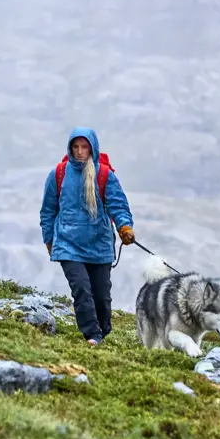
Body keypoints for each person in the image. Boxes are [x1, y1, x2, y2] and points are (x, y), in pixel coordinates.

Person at [39, 127, 135, 346]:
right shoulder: (59, 174)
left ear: (92, 148)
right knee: (81, 288)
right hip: (68, 243)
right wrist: (49, 240)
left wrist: (124, 227)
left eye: (84, 147)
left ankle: (103, 330)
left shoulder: (104, 175)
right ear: (70, 148)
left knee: (101, 296)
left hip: (98, 244)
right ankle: (92, 335)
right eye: (76, 147)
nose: (80, 152)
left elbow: (118, 205)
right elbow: (48, 211)